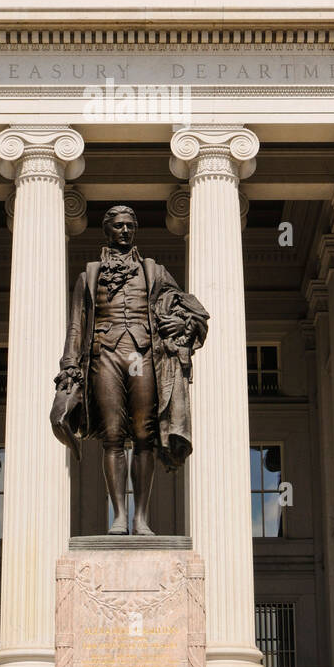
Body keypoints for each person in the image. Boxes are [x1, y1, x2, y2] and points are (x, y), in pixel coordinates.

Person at [51, 204, 208, 535]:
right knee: (111, 436)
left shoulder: (154, 271)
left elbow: (186, 307)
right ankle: (119, 516)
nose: (125, 231)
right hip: (104, 355)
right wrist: (68, 365)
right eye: (119, 226)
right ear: (107, 230)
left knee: (143, 435)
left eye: (130, 226)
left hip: (142, 355)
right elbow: (76, 327)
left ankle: (140, 517)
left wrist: (177, 324)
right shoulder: (88, 276)